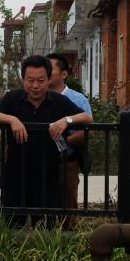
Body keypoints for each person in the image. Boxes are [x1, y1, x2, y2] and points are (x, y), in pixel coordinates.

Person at [0, 55, 91, 228]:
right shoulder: (12, 98)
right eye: (30, 80)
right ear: (23, 80)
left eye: (41, 80)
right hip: (16, 175)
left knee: (44, 228)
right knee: (13, 226)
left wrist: (67, 120)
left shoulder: (59, 101)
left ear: (48, 79)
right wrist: (12, 120)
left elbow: (87, 118)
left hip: (48, 176)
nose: (35, 86)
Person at [47, 53, 94, 226]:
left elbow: (89, 132)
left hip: (67, 162)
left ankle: (67, 235)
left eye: (50, 70)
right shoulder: (38, 96)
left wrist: (64, 140)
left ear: (64, 74)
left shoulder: (77, 99)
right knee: (43, 209)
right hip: (41, 162)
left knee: (68, 208)